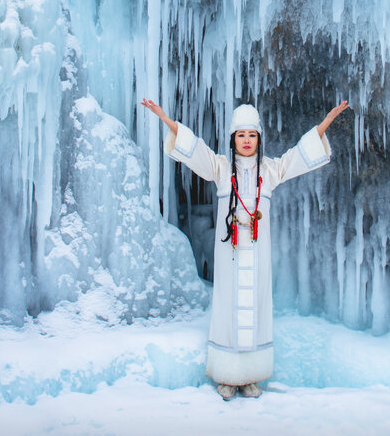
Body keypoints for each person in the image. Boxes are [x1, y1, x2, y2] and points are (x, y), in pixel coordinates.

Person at [139, 97, 351, 400]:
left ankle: (251, 375)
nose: (247, 141)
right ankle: (227, 375)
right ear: (233, 138)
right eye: (241, 135)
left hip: (258, 252)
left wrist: (327, 120)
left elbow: (300, 155)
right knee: (228, 306)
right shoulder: (221, 168)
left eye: (252, 135)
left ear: (259, 139)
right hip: (231, 253)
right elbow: (194, 149)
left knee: (257, 306)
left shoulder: (270, 170)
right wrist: (166, 119)